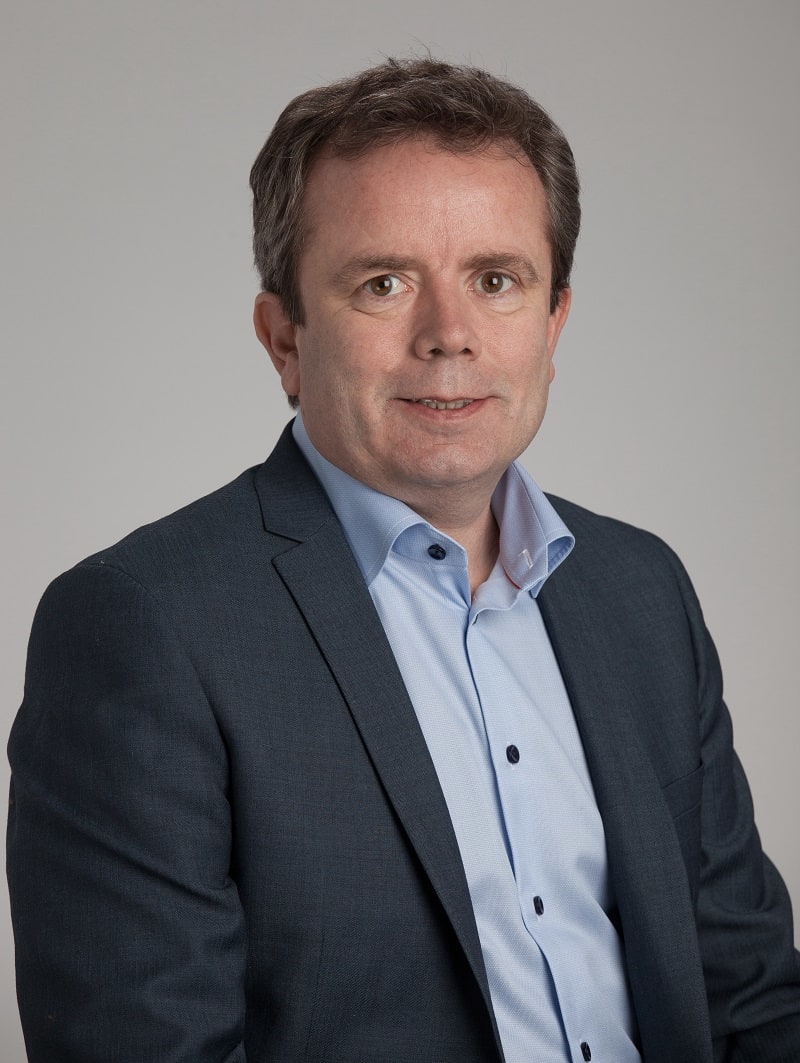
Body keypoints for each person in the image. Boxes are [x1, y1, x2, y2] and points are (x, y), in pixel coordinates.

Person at [7, 57, 800, 1063]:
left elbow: (749, 997)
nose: (449, 336)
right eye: (383, 283)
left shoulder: (639, 590)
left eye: (496, 281)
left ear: (552, 323)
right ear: (283, 338)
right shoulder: (143, 625)